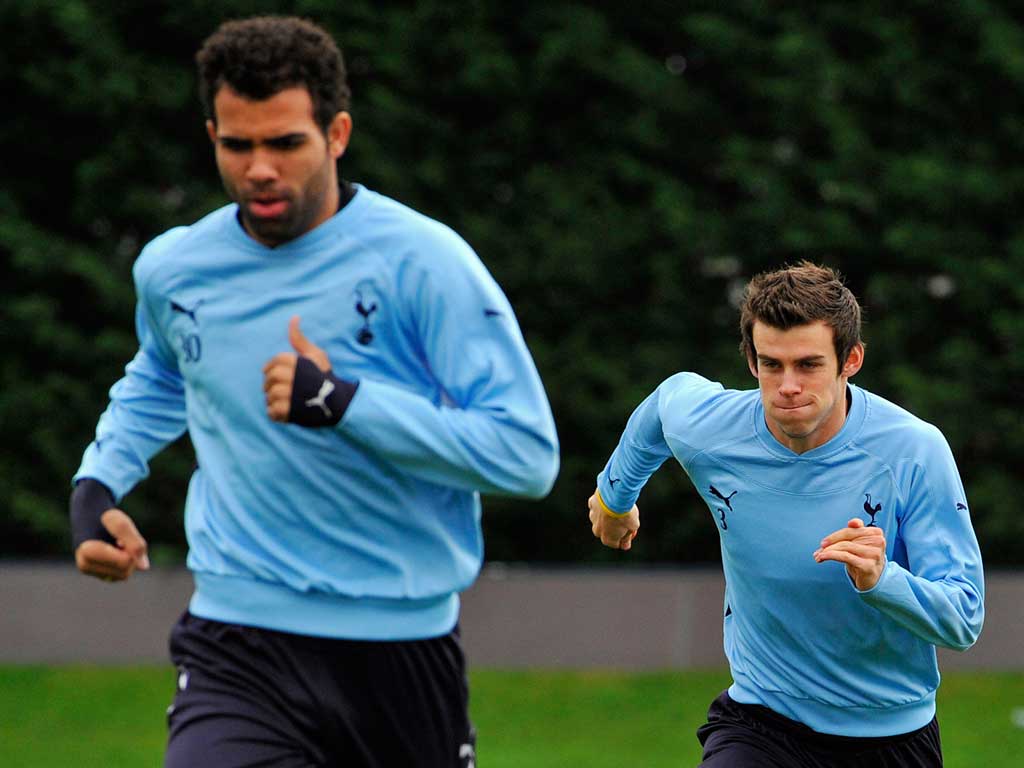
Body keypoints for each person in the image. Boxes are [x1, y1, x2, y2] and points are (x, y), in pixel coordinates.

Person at [70, 15, 559, 768]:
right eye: (238, 145)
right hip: (236, 639)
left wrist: (344, 404)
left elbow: (525, 454)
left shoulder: (424, 262)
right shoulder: (175, 268)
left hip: (401, 650)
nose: (260, 168)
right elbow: (164, 372)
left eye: (285, 143)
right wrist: (98, 482)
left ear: (336, 133)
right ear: (212, 137)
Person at [588, 262, 983, 767]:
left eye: (808, 365)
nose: (787, 386)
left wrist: (881, 580)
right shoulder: (715, 428)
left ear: (851, 360)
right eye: (771, 364)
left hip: (890, 734)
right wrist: (615, 497)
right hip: (761, 722)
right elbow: (666, 404)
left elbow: (963, 619)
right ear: (752, 361)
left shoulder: (914, 452)